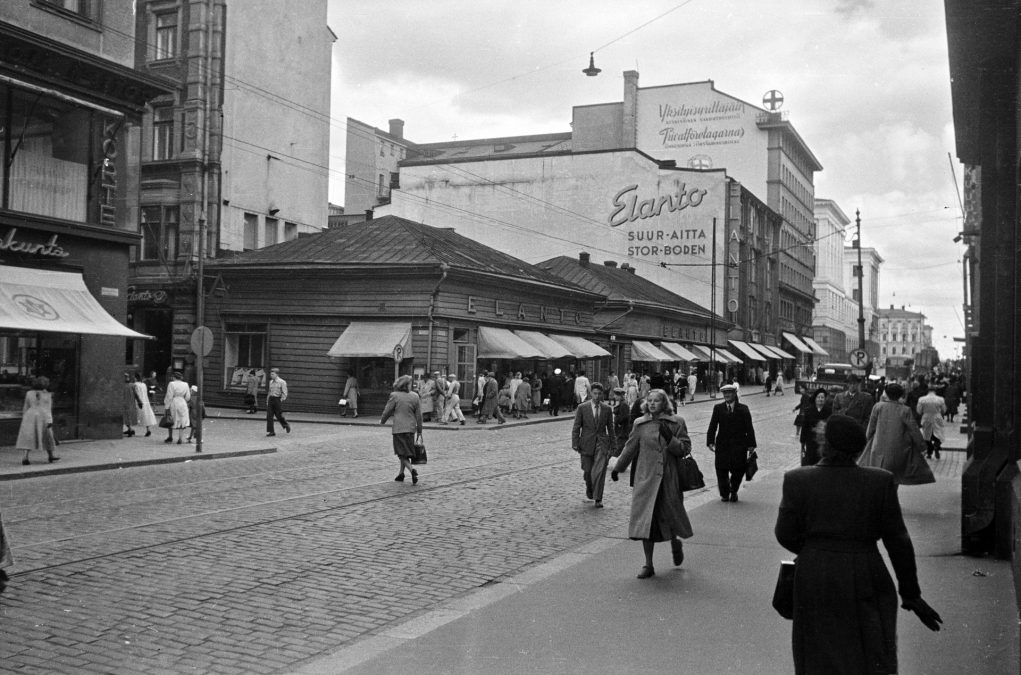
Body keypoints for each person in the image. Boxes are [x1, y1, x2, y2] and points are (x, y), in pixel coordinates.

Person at [775, 414, 943, 674]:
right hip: (867, 570)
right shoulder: (880, 481)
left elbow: (784, 533)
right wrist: (910, 593)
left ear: (825, 445)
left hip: (816, 574)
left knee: (817, 651)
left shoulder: (798, 480)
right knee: (870, 648)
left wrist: (816, 550)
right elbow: (898, 541)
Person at [609, 389, 693, 578]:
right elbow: (629, 448)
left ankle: (674, 542)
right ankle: (648, 564)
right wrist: (617, 468)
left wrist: (671, 439)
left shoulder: (676, 422)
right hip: (646, 479)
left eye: (657, 400)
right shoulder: (640, 424)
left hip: (668, 479)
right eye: (650, 400)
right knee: (646, 521)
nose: (653, 403)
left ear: (664, 403)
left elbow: (685, 448)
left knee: (670, 516)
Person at [858, 383, 930, 483]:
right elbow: (914, 430)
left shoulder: (878, 407)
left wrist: (867, 441)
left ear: (886, 394)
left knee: (878, 477)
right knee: (894, 479)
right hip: (898, 450)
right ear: (900, 395)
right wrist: (922, 446)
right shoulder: (905, 410)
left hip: (878, 448)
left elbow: (870, 428)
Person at [706, 383, 757, 502]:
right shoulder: (718, 408)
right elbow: (713, 425)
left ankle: (733, 490)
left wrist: (751, 445)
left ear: (735, 394)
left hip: (739, 445)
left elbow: (749, 427)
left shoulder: (743, 409)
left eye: (729, 393)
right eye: (725, 393)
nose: (727, 395)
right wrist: (710, 441)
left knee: (738, 470)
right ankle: (724, 493)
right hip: (722, 445)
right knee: (721, 469)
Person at [571, 382, 616, 508]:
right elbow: (576, 427)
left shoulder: (607, 409)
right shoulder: (582, 408)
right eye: (594, 393)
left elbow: (611, 428)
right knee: (588, 472)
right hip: (586, 443)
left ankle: (598, 498)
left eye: (599, 394)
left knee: (599, 472)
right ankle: (589, 487)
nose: (597, 396)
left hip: (601, 443)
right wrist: (575, 442)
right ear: (591, 394)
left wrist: (613, 445)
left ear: (602, 395)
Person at [380, 375, 423, 485]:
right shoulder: (415, 396)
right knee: (405, 452)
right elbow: (419, 415)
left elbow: (387, 410)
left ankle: (412, 470)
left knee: (401, 453)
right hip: (411, 429)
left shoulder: (395, 395)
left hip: (399, 429)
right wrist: (419, 431)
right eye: (410, 383)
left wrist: (382, 421)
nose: (411, 385)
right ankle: (401, 474)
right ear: (406, 385)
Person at [17, 376, 58, 465]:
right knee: (48, 436)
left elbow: (26, 406)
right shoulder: (48, 394)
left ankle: (25, 457)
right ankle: (51, 456)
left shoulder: (29, 393)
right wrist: (50, 420)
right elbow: (48, 409)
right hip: (42, 416)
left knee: (28, 437)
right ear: (46, 384)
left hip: (30, 415)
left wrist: (24, 417)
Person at [800, 388, 832, 466]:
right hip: (810, 440)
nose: (820, 399)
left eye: (822, 397)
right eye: (818, 397)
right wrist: (802, 442)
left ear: (825, 399)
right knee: (811, 461)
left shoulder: (829, 411)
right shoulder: (808, 411)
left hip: (823, 441)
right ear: (815, 399)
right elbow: (805, 427)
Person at [917, 384, 947, 460]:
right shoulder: (940, 399)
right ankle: (937, 446)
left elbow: (919, 411)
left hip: (926, 417)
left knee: (927, 436)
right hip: (937, 417)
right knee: (939, 434)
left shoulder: (921, 399)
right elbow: (944, 410)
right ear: (935, 391)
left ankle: (929, 453)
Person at [163, 371, 191, 444]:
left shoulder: (171, 384)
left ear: (174, 377)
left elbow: (169, 396)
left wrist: (166, 406)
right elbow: (188, 396)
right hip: (182, 402)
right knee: (182, 419)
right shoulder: (185, 384)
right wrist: (184, 400)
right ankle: (180, 438)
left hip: (174, 402)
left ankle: (170, 436)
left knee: (170, 418)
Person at [265, 367, 290, 436]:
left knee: (278, 415)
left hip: (277, 399)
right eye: (271, 374)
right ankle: (271, 431)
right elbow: (269, 392)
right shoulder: (271, 382)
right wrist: (267, 401)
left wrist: (280, 400)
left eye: (272, 374)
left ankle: (286, 425)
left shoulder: (282, 382)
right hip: (271, 399)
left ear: (276, 374)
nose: (271, 375)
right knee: (269, 416)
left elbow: (285, 393)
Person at [133, 372, 158, 437]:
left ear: (136, 378)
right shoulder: (143, 384)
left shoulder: (135, 384)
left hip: (138, 401)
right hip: (145, 400)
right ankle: (148, 429)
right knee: (145, 415)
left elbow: (135, 394)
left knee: (133, 414)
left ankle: (130, 428)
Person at [123, 372, 141, 436]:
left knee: (126, 417)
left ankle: (130, 430)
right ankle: (129, 429)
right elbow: (136, 395)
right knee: (128, 417)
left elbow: (136, 394)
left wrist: (139, 401)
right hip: (130, 404)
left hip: (126, 404)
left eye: (127, 377)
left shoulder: (128, 385)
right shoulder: (132, 385)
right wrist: (139, 401)